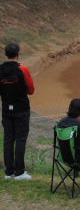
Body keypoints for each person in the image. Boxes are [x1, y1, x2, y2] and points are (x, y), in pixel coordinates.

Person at [1, 43, 35, 180]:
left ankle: (9, 172)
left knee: (8, 139)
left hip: (6, 109)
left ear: (5, 54)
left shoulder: (0, 69)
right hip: (21, 110)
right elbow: (31, 90)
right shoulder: (23, 69)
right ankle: (19, 172)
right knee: (20, 139)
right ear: (18, 54)